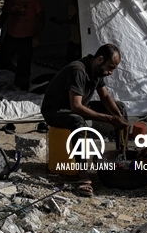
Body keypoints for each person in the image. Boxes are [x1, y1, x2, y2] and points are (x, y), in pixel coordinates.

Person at [41, 43, 130, 196]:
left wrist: (119, 117)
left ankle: (121, 156)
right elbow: (76, 107)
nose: (110, 72)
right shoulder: (78, 70)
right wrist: (110, 119)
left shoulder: (96, 70)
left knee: (120, 107)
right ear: (100, 59)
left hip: (75, 107)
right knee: (77, 121)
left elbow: (105, 96)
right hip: (55, 111)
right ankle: (83, 175)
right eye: (110, 67)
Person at [0, 0, 44, 91]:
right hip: (11, 36)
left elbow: (42, 17)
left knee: (24, 71)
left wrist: (37, 36)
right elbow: (4, 14)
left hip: (27, 37)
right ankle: (19, 72)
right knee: (2, 61)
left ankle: (23, 79)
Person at [49, 0, 81, 65]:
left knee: (69, 56)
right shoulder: (82, 4)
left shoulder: (73, 6)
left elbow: (73, 21)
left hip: (76, 37)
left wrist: (60, 21)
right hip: (80, 35)